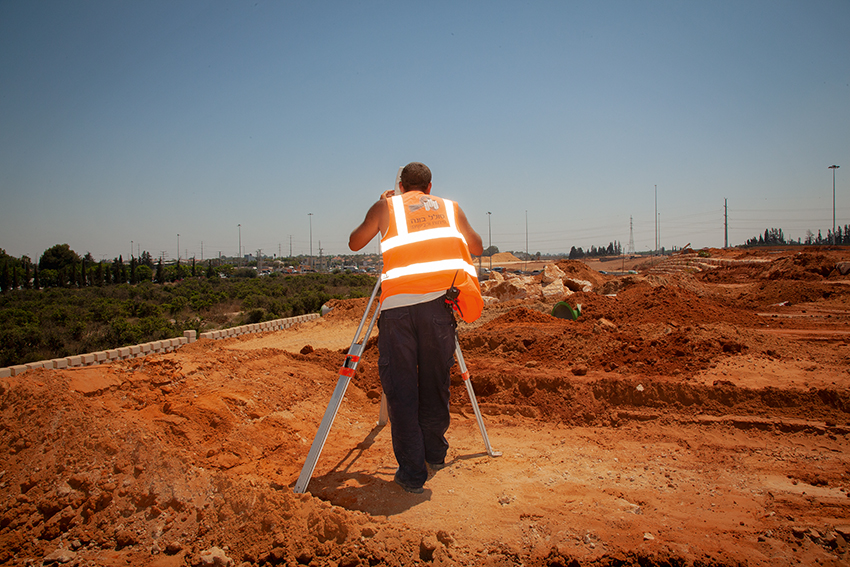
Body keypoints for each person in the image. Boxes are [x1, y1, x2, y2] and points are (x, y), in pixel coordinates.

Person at [349, 162, 484, 493]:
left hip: (398, 312)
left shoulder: (386, 206)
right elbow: (477, 247)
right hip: (439, 308)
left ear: (400, 184)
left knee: (402, 389)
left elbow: (355, 242)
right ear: (429, 187)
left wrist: (383, 204)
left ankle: (412, 473)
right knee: (435, 382)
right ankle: (435, 454)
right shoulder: (451, 209)